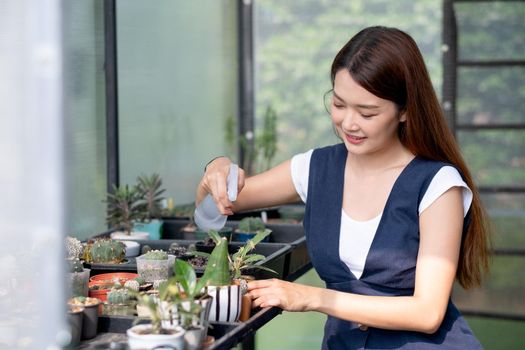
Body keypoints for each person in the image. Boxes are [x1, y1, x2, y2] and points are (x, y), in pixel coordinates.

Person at [196, 26, 491, 349]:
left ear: (405, 110)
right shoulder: (315, 168)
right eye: (339, 104)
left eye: (367, 112)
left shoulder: (437, 185)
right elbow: (212, 210)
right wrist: (216, 167)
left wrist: (312, 297)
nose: (349, 123)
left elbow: (427, 312)